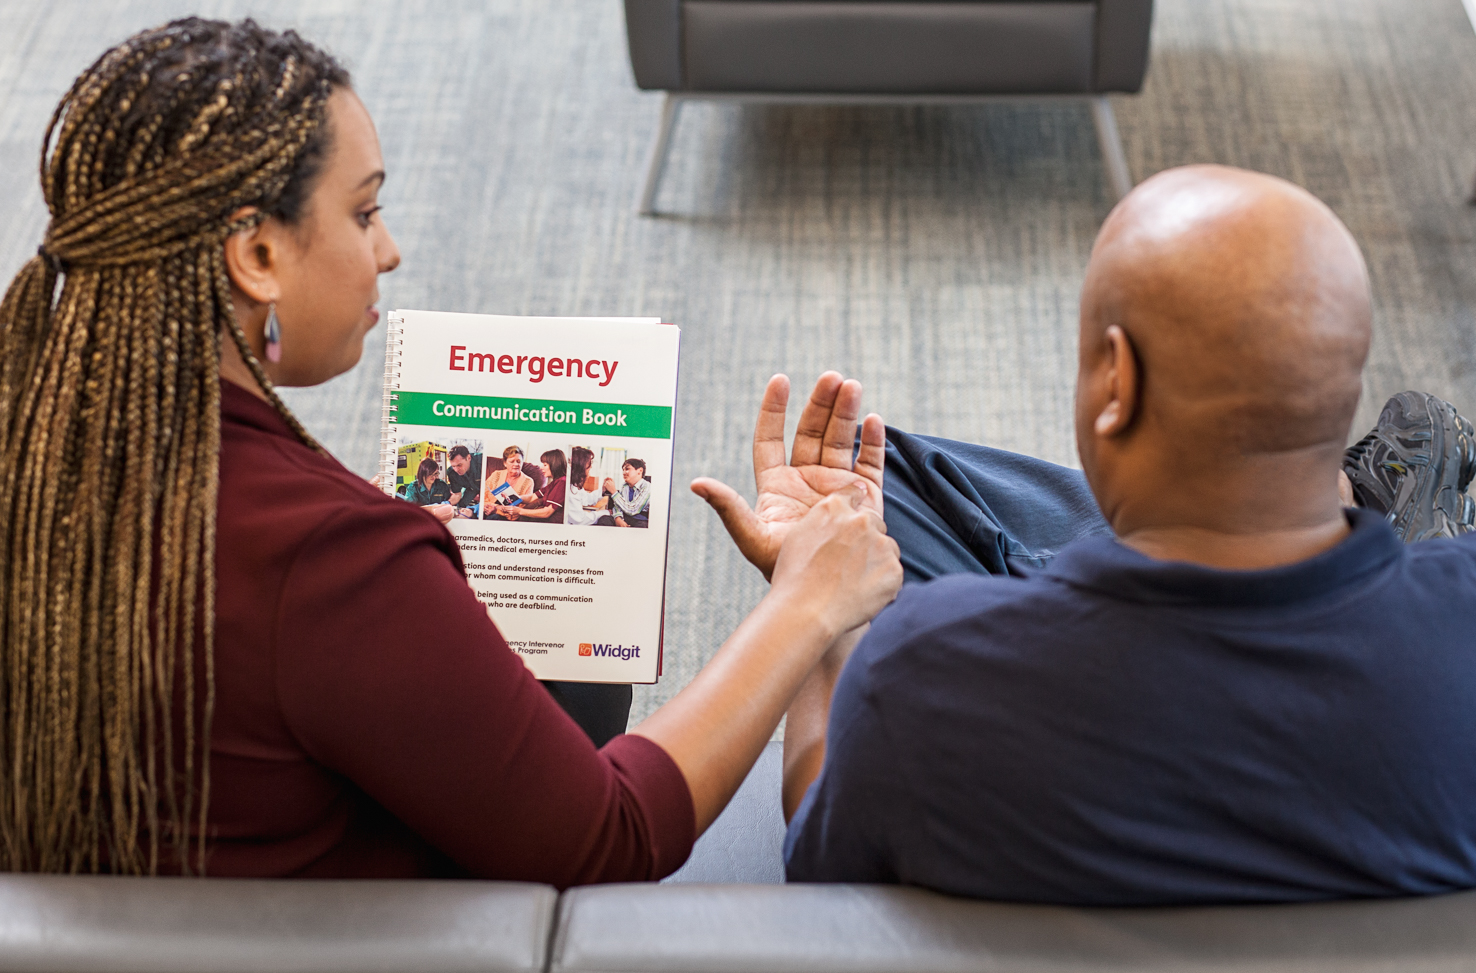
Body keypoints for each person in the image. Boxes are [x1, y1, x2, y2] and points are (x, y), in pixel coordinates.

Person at [0, 17, 901, 880]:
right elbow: (612, 834)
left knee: (578, 687)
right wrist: (808, 603)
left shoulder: (35, 461)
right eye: (364, 213)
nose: (387, 251)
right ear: (258, 255)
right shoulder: (327, 559)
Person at [693, 165, 1476, 906]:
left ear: (1117, 381)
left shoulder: (926, 675)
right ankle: (1357, 511)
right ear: (1344, 385)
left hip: (1054, 700)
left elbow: (820, 850)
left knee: (890, 489)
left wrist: (816, 604)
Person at [502, 448, 566, 523]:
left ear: (555, 465)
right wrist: (516, 498)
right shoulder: (555, 482)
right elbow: (532, 497)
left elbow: (547, 513)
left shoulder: (562, 482)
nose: (541, 467)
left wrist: (519, 511)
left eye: (545, 465)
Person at [482, 445, 534, 519]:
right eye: (512, 461)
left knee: (494, 518)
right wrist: (493, 507)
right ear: (505, 463)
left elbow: (524, 507)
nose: (516, 464)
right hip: (487, 509)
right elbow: (483, 495)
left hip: (507, 516)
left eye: (518, 461)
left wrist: (498, 510)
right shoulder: (496, 474)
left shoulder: (528, 481)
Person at [597, 458, 649, 527]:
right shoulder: (624, 486)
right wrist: (618, 519)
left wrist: (614, 492)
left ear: (640, 471)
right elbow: (617, 505)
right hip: (624, 517)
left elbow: (632, 509)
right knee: (603, 520)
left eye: (627, 469)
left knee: (640, 527)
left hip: (640, 520)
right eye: (623, 470)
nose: (624, 473)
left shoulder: (647, 487)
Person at [567, 446, 611, 525]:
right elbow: (580, 520)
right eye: (588, 468)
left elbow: (586, 498)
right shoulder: (570, 490)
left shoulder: (575, 485)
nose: (590, 468)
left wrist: (603, 490)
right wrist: (605, 513)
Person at [444, 445, 481, 515]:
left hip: (488, 488)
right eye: (453, 466)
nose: (456, 470)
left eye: (459, 465)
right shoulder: (452, 473)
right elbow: (457, 494)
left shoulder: (481, 461)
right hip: (471, 489)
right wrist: (446, 504)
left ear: (469, 458)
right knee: (460, 506)